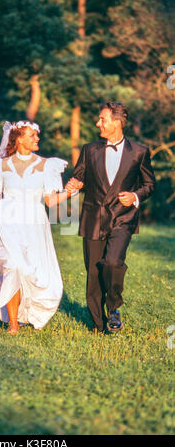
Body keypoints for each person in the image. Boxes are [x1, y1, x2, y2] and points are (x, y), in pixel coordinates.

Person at [0, 120, 77, 335]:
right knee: (12, 266)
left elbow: (49, 201)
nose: (37, 139)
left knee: (31, 272)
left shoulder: (47, 165)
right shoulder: (0, 165)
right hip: (7, 227)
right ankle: (13, 323)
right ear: (19, 139)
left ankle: (29, 313)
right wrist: (1, 230)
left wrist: (70, 192)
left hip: (34, 228)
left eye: (37, 135)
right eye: (32, 135)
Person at [66, 102, 156, 334]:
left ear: (116, 122)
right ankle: (98, 324)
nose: (98, 123)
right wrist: (74, 185)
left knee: (113, 262)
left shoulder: (139, 151)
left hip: (122, 219)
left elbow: (149, 185)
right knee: (94, 274)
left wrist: (135, 195)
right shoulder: (89, 149)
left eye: (102, 119)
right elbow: (78, 178)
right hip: (93, 218)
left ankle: (113, 307)